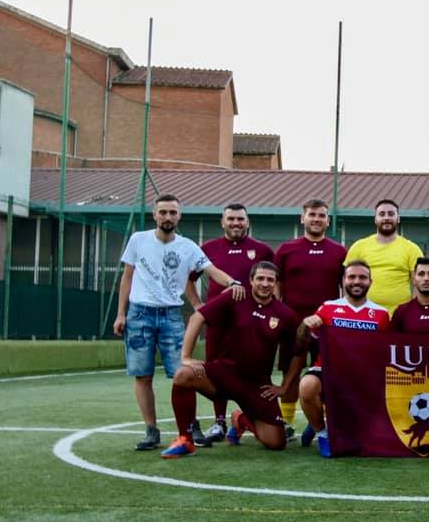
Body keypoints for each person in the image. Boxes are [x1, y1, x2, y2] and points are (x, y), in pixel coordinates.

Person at [113, 194, 243, 451]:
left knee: (184, 375)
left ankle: (190, 427)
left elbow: (211, 270)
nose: (168, 217)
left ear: (179, 216)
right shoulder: (138, 240)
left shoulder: (188, 246)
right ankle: (151, 431)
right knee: (143, 376)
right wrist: (121, 313)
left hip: (172, 316)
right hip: (139, 315)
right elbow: (127, 278)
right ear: (154, 214)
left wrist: (232, 282)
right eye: (163, 212)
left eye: (173, 213)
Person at [161, 261, 300, 458]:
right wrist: (186, 357)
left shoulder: (286, 315)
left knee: (276, 442)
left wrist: (285, 387)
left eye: (270, 280)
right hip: (224, 374)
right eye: (260, 278)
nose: (265, 283)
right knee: (183, 375)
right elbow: (197, 318)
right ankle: (185, 439)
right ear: (251, 280)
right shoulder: (235, 297)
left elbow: (297, 353)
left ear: (276, 283)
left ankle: (241, 420)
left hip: (257, 385)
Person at [184, 203, 274, 445]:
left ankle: (259, 415)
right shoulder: (208, 249)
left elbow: (274, 282)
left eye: (240, 219)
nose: (236, 223)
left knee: (258, 366)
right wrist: (197, 304)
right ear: (222, 222)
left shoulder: (262, 250)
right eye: (231, 219)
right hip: (219, 323)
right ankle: (220, 420)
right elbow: (188, 278)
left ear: (248, 222)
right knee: (215, 368)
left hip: (252, 323)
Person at [297, 260, 390, 457]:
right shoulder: (328, 308)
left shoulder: (381, 314)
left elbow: (382, 353)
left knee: (364, 441)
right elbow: (301, 341)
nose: (357, 281)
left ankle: (320, 423)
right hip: (327, 371)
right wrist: (305, 324)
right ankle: (323, 433)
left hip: (360, 380)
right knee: (307, 386)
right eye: (352, 277)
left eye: (362, 277)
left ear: (370, 282)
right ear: (343, 281)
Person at [273, 198, 347, 443]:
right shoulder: (286, 249)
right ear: (302, 218)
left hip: (327, 326)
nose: (317, 219)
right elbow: (277, 284)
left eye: (322, 215)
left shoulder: (339, 251)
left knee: (326, 375)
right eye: (312, 214)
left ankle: (320, 421)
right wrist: (278, 312)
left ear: (328, 220)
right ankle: (287, 422)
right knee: (289, 375)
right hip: (293, 324)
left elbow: (345, 288)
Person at [344, 199, 423, 315]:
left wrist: (413, 311)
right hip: (363, 316)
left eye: (391, 214)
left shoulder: (411, 249)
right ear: (375, 219)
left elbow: (419, 283)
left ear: (398, 218)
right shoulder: (359, 247)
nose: (386, 218)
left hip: (398, 317)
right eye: (382, 214)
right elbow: (346, 280)